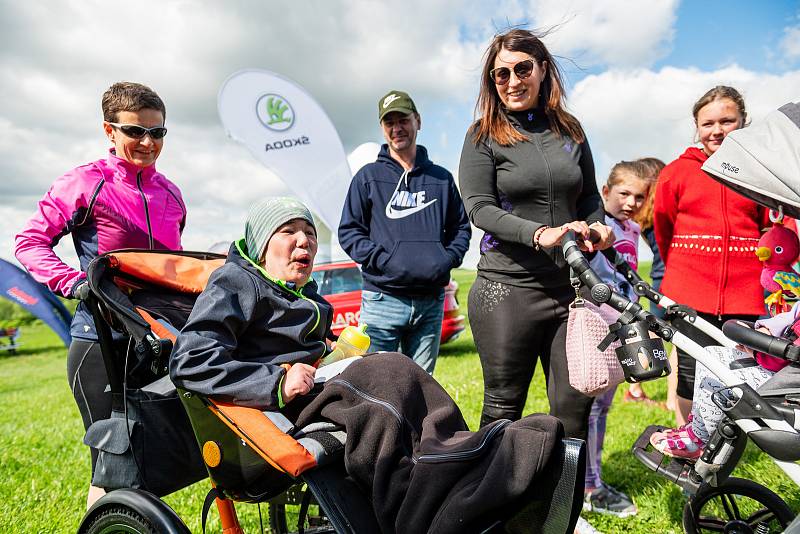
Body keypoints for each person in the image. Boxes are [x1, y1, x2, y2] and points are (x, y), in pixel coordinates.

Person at [171, 197, 570, 534]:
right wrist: (276, 380)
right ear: (260, 244)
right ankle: (432, 509)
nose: (303, 241)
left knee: (399, 371)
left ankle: (469, 469)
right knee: (388, 377)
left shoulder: (300, 294)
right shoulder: (236, 282)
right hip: (274, 404)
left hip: (316, 383)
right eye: (288, 231)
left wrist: (336, 353)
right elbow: (190, 360)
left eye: (308, 233)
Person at [14, 82, 185, 507]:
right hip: (100, 344)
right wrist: (73, 282)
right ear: (109, 131)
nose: (148, 142)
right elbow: (29, 242)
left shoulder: (172, 195)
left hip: (156, 341)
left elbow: (173, 269)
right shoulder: (84, 182)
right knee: (112, 469)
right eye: (135, 131)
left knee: (159, 460)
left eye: (158, 132)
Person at [458, 28, 614, 436]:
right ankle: (492, 499)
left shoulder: (570, 130)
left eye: (522, 68)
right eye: (500, 75)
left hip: (570, 290)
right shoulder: (482, 136)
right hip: (507, 290)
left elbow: (589, 198)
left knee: (574, 409)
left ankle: (562, 501)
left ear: (542, 69)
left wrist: (597, 229)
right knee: (503, 410)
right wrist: (538, 233)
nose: (512, 81)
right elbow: (479, 208)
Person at [654, 86, 767, 426]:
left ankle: (725, 442)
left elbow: (772, 229)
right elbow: (664, 229)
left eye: (727, 121)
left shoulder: (759, 172)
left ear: (743, 122)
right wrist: (684, 273)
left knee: (739, 373)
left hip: (745, 296)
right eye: (708, 123)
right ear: (697, 126)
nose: (717, 130)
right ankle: (689, 441)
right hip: (688, 293)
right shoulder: (676, 172)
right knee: (689, 372)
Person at [338, 90, 471, 374]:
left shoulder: (441, 179)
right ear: (383, 129)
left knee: (424, 385)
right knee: (377, 382)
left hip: (430, 301)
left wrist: (445, 260)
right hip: (382, 300)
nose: (397, 128)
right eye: (390, 123)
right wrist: (383, 260)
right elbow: (349, 231)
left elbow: (461, 228)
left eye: (403, 120)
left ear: (418, 121)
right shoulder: (368, 177)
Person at [583, 161, 652, 518]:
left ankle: (591, 478)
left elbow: (627, 274)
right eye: (624, 193)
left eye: (639, 196)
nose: (631, 202)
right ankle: (588, 484)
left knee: (604, 407)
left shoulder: (634, 228)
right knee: (591, 407)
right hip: (597, 324)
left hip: (623, 322)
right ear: (606, 192)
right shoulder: (598, 227)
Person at [649, 307, 793, 459]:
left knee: (718, 377)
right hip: (781, 360)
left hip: (784, 374)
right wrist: (763, 329)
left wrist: (757, 351)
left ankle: (700, 441)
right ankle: (697, 426)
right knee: (710, 354)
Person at [624, 157, 668, 407]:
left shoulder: (645, 214)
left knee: (651, 333)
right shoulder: (658, 212)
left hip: (657, 278)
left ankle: (635, 387)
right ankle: (638, 389)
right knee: (660, 336)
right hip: (666, 280)